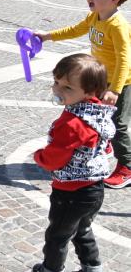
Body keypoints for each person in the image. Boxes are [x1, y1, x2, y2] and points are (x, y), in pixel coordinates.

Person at [35, 0, 131, 189]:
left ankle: (128, 167)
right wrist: (47, 36)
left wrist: (115, 90)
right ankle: (101, 144)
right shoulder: (94, 16)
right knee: (93, 116)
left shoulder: (117, 25)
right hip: (99, 80)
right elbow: (75, 30)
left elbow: (125, 59)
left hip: (121, 82)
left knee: (118, 124)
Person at [31, 54, 116, 272]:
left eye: (67, 88)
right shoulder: (98, 112)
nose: (57, 91)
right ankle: (92, 266)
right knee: (82, 229)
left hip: (70, 192)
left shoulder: (71, 123)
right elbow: (105, 146)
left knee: (57, 235)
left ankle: (50, 268)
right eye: (56, 83)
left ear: (89, 92)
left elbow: (55, 157)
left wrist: (40, 157)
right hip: (94, 189)